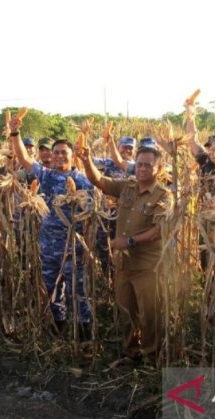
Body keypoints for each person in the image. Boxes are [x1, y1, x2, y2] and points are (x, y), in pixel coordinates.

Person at [80, 143, 169, 360]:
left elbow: (159, 231)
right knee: (126, 310)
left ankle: (151, 356)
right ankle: (130, 351)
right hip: (123, 264)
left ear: (159, 167)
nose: (142, 169)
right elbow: (98, 181)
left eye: (148, 165)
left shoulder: (163, 195)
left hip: (147, 266)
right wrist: (86, 160)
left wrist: (128, 241)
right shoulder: (127, 187)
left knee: (150, 314)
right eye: (139, 164)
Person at [8, 118, 93, 335]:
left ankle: (83, 330)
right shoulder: (45, 175)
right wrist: (15, 133)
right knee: (52, 288)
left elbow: (92, 215)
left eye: (64, 152)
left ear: (72, 155)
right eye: (56, 152)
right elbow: (24, 158)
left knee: (77, 289)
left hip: (73, 247)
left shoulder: (83, 181)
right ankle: (58, 326)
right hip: (48, 246)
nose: (59, 155)